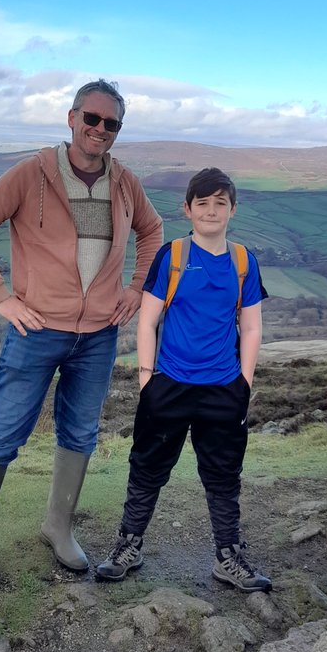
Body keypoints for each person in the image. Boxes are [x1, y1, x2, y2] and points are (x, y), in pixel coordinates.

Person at [0, 79, 163, 586]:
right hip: (37, 328)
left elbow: (151, 231)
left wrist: (136, 287)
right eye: (92, 119)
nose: (100, 130)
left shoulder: (126, 182)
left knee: (81, 432)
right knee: (1, 432)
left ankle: (58, 528)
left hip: (98, 334)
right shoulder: (32, 174)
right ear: (71, 119)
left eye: (111, 124)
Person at [96, 167, 272, 592]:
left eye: (220, 203)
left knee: (223, 474)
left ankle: (227, 556)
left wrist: (243, 384)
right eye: (203, 203)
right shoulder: (172, 256)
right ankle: (129, 545)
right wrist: (146, 380)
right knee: (147, 468)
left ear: (233, 209)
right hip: (169, 385)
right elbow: (148, 319)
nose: (211, 211)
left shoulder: (244, 262)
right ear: (188, 209)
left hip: (223, 388)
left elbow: (250, 327)